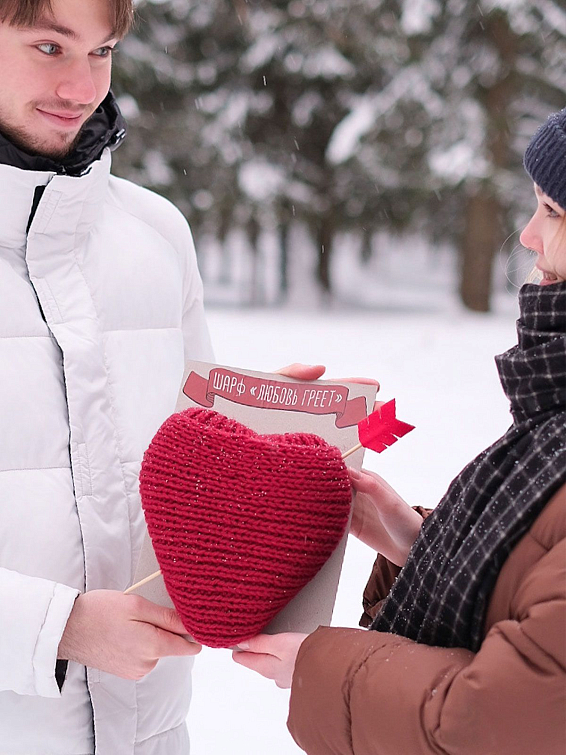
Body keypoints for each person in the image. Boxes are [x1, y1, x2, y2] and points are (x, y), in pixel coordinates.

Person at [234, 108, 566, 754]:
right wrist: (422, 543)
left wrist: (317, 665)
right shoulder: (549, 419)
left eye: (552, 212)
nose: (528, 235)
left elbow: (495, 719)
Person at [0, 0, 216, 752]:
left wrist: (260, 436)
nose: (81, 85)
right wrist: (55, 628)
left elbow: (194, 473)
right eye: (50, 46)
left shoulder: (155, 234)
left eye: (102, 51)